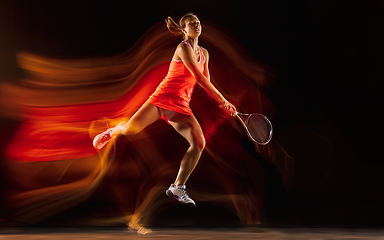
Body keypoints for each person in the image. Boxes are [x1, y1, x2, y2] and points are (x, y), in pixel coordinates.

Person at [93, 13, 236, 207]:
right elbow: (199, 78)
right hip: (162, 99)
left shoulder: (205, 53)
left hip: (181, 106)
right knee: (130, 129)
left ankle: (178, 186)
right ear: (183, 30)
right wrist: (222, 100)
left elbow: (206, 81)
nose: (196, 25)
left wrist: (223, 104)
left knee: (199, 143)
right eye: (191, 23)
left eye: (198, 22)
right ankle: (112, 132)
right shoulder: (182, 48)